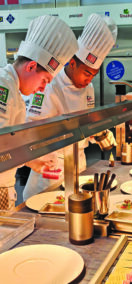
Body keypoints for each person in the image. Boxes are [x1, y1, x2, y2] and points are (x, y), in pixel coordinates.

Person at [23, 13, 117, 200]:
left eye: (93, 75)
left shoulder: (88, 88)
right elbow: (33, 129)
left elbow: (87, 120)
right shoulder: (49, 84)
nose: (89, 80)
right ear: (72, 63)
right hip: (50, 172)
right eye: (86, 73)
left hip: (79, 166)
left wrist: (98, 130)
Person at [0, 14, 78, 210]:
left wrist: (33, 161)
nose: (43, 89)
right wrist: (30, 156)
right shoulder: (3, 87)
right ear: (31, 66)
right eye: (44, 80)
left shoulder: (13, 89)